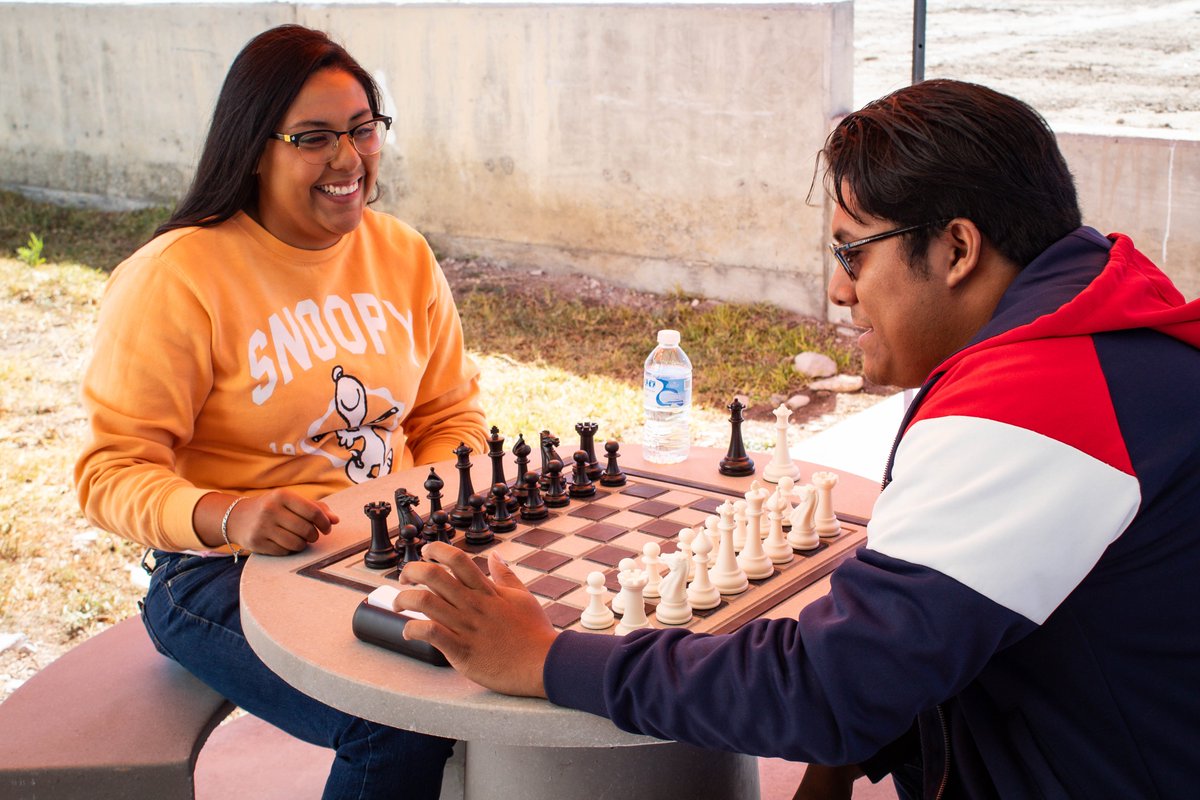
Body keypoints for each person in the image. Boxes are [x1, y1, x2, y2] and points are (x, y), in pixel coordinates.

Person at [394, 80, 1200, 798]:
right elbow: (921, 641)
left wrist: (544, 657)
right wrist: (839, 765)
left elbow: (827, 688)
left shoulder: (1038, 402)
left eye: (853, 250)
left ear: (957, 249)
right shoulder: (1106, 321)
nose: (840, 288)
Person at [75, 24, 488, 799]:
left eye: (363, 129)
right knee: (395, 716)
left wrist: (433, 510)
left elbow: (449, 413)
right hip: (218, 576)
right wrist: (231, 515)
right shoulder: (176, 278)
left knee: (528, 652)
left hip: (381, 553)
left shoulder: (400, 254)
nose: (348, 159)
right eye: (314, 138)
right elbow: (109, 474)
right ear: (254, 146)